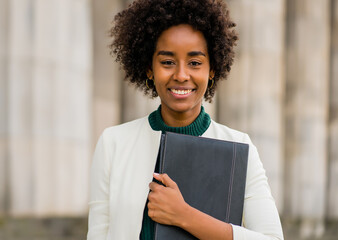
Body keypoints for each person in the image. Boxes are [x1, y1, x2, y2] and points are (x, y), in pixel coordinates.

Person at [87, 0, 284, 239]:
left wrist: (184, 216)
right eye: (167, 62)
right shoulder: (113, 143)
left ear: (211, 70)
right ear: (149, 68)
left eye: (195, 63)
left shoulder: (239, 148)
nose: (181, 75)